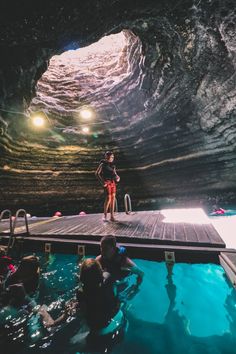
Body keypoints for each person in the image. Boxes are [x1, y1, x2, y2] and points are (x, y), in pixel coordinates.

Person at [95, 151, 120, 222]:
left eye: (112, 157)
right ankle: (105, 215)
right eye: (111, 157)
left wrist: (118, 178)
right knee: (108, 198)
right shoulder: (103, 164)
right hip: (107, 182)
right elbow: (97, 173)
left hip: (113, 183)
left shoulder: (113, 165)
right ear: (106, 157)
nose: (112, 158)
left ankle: (112, 217)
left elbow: (115, 174)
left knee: (113, 198)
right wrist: (103, 182)